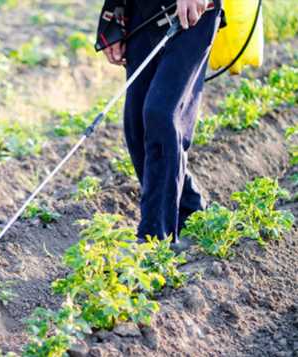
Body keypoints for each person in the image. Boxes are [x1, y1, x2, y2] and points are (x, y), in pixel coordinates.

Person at [95, 0, 224, 245]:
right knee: (136, 126)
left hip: (192, 12)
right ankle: (190, 211)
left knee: (162, 115)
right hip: (142, 13)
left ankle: (155, 241)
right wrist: (113, 21)